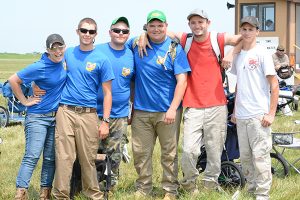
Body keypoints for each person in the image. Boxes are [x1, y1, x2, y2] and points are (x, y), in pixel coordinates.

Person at [153, 9, 241, 193]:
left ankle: (210, 185)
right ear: (189, 25)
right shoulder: (186, 39)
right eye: (193, 22)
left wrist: (231, 54)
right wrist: (144, 36)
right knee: (188, 150)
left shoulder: (218, 38)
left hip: (217, 105)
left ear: (208, 23)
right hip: (192, 106)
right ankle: (189, 185)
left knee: (214, 150)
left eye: (200, 22)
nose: (197, 26)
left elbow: (244, 38)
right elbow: (160, 30)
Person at [128, 10, 191, 200]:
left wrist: (172, 109)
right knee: (140, 152)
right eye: (152, 25)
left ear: (166, 26)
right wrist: (141, 36)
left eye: (160, 25)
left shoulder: (175, 49)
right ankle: (143, 188)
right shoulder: (136, 45)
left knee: (169, 154)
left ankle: (170, 190)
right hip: (141, 111)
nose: (156, 29)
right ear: (146, 27)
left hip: (168, 112)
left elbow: (182, 81)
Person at [52, 18, 114, 199]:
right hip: (66, 112)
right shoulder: (68, 53)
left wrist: (105, 122)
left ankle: (94, 194)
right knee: (64, 158)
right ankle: (60, 195)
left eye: (91, 31)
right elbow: (49, 59)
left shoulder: (102, 60)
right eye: (84, 30)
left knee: (88, 159)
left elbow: (108, 93)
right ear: (77, 31)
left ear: (96, 34)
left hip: (88, 114)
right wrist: (35, 86)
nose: (87, 34)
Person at [9, 34, 67, 200]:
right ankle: (21, 193)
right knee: (32, 155)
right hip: (37, 118)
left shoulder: (65, 61)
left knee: (50, 158)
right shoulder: (40, 66)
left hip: (56, 118)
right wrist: (25, 100)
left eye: (60, 47)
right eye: (53, 48)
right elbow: (13, 80)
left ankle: (45, 194)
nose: (57, 51)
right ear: (47, 50)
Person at [231, 16, 279, 200]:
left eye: (251, 29)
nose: (247, 32)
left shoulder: (262, 53)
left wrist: (271, 113)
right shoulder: (239, 55)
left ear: (257, 32)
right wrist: (235, 111)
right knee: (245, 157)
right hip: (241, 116)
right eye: (244, 29)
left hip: (259, 116)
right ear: (240, 31)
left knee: (260, 157)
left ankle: (262, 194)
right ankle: (250, 188)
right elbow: (238, 85)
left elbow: (274, 85)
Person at [95, 16, 134, 190]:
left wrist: (131, 108)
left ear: (128, 34)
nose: (120, 33)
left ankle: (111, 187)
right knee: (92, 151)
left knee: (115, 153)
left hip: (120, 113)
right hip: (94, 112)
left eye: (124, 31)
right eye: (116, 30)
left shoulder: (132, 54)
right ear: (110, 32)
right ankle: (89, 184)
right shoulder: (97, 50)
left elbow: (133, 83)